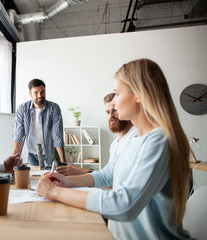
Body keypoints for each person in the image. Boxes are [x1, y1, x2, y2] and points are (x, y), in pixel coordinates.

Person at [36, 59, 191, 239]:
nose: (114, 103)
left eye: (117, 94)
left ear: (138, 95)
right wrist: (66, 181)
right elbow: (107, 175)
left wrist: (55, 192)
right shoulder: (135, 138)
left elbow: (124, 205)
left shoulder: (159, 140)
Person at [57, 93, 137, 176]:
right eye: (107, 112)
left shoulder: (135, 137)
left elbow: (115, 178)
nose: (111, 116)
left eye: (115, 110)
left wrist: (79, 171)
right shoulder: (114, 144)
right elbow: (108, 176)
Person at [13, 78, 65, 167]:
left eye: (42, 92)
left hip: (47, 153)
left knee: (48, 178)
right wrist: (13, 162)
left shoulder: (53, 108)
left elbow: (58, 137)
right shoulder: (22, 109)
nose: (39, 95)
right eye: (36, 93)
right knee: (33, 178)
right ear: (30, 94)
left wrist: (64, 163)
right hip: (30, 154)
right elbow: (19, 136)